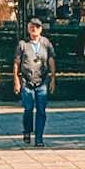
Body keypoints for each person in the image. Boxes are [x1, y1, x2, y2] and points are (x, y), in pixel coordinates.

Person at [13, 18, 56, 147]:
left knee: (41, 110)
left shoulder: (46, 43)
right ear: (28, 28)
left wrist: (53, 78)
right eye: (32, 26)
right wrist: (16, 79)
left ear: (41, 29)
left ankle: (39, 138)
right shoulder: (23, 44)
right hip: (27, 80)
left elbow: (51, 59)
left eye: (37, 27)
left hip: (42, 80)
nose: (34, 29)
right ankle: (27, 130)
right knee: (28, 108)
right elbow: (17, 62)